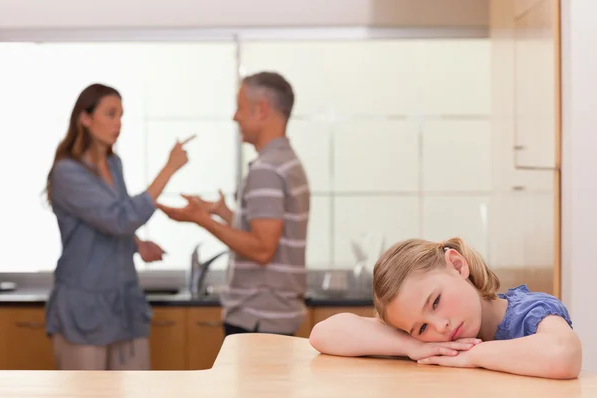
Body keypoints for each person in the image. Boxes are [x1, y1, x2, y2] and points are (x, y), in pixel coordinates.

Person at [44, 83, 193, 370]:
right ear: (85, 118)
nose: (118, 123)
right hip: (84, 304)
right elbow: (118, 218)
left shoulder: (114, 164)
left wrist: (136, 243)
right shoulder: (67, 172)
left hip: (123, 300)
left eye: (121, 115)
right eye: (110, 114)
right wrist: (169, 169)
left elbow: (113, 219)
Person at [158, 71, 310, 337]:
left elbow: (263, 249)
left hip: (258, 318)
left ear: (261, 109)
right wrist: (222, 213)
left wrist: (201, 220)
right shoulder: (287, 162)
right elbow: (268, 232)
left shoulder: (266, 169)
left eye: (240, 108)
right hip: (276, 316)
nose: (234, 117)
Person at [309, 237, 582, 380]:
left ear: (458, 265)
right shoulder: (427, 341)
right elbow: (323, 333)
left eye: (436, 302)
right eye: (422, 327)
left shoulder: (529, 311)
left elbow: (564, 355)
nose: (441, 327)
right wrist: (410, 345)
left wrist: (473, 355)